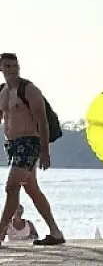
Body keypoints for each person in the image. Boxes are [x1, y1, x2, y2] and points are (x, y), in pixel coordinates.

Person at [0, 53, 66, 247]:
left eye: (15, 65)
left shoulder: (29, 90)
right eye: (8, 66)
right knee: (32, 189)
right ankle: (55, 232)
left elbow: (42, 122)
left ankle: (1, 231)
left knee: (11, 186)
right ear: (1, 69)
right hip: (11, 144)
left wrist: (45, 151)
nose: (12, 69)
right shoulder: (2, 91)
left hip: (29, 142)